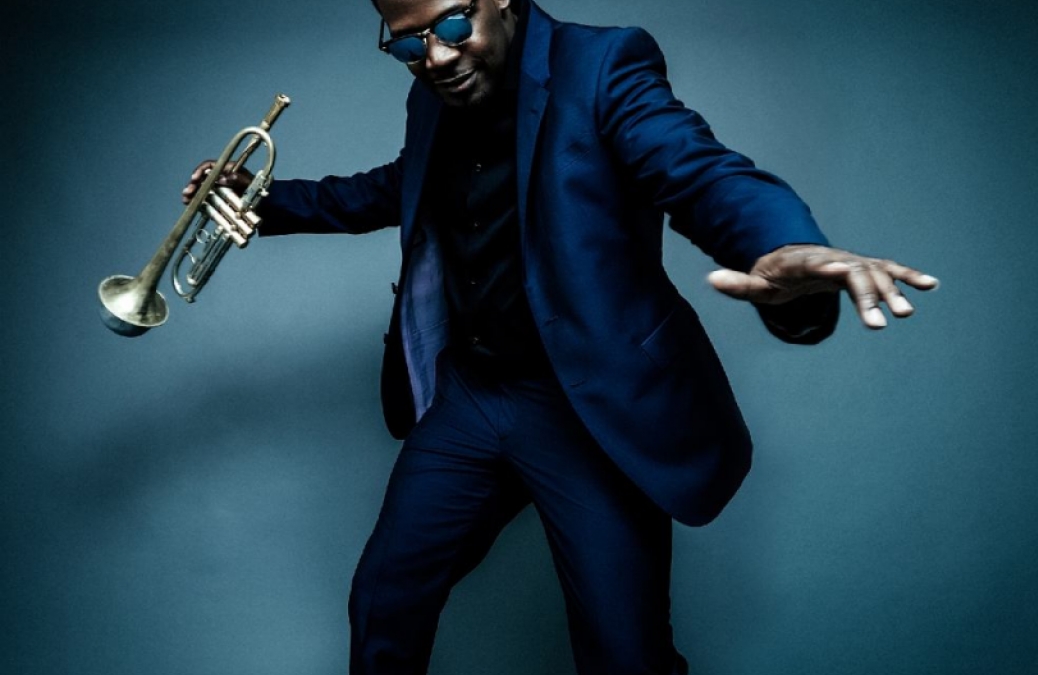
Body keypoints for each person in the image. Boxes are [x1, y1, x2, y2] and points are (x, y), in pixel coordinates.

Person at [183, 1, 938, 672]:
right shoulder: (436, 93)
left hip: (586, 405)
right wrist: (266, 201)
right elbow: (400, 184)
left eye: (452, 25)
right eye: (408, 44)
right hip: (472, 394)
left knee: (625, 654)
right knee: (384, 602)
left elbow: (695, 168)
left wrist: (778, 242)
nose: (435, 57)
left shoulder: (604, 65)